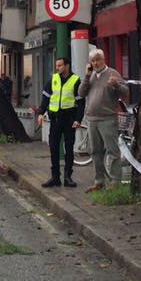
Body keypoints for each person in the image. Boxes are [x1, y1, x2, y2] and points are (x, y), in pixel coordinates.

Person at [77, 48, 129, 191]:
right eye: (93, 61)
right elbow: (81, 93)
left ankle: (115, 182)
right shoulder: (91, 75)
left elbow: (126, 93)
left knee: (112, 151)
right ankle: (99, 181)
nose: (96, 63)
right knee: (95, 151)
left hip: (108, 118)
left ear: (103, 59)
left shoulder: (113, 73)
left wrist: (116, 85)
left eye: (98, 59)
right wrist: (87, 76)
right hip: (92, 119)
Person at [35, 56, 83, 188]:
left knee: (69, 148)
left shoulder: (75, 80)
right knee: (54, 148)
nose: (57, 68)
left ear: (67, 66)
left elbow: (81, 102)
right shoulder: (53, 79)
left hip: (69, 120)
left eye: (60, 65)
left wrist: (78, 119)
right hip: (55, 119)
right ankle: (55, 177)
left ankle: (68, 177)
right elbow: (45, 99)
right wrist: (40, 113)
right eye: (57, 66)